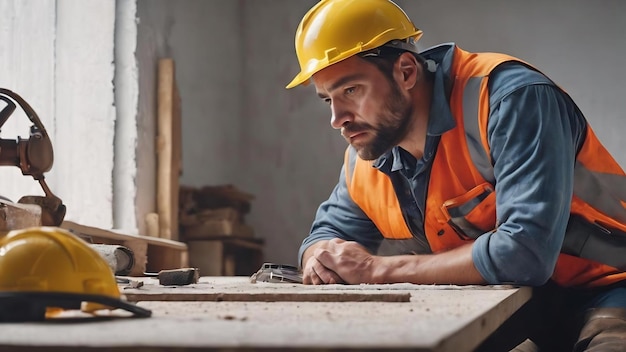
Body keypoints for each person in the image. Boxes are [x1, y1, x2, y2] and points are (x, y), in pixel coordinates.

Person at [285, 0, 626, 351]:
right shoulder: (369, 156)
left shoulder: (508, 99)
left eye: (351, 90)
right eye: (328, 99)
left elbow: (525, 254)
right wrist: (319, 257)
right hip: (519, 309)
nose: (337, 118)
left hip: (608, 290)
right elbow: (326, 234)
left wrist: (376, 270)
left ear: (405, 71)